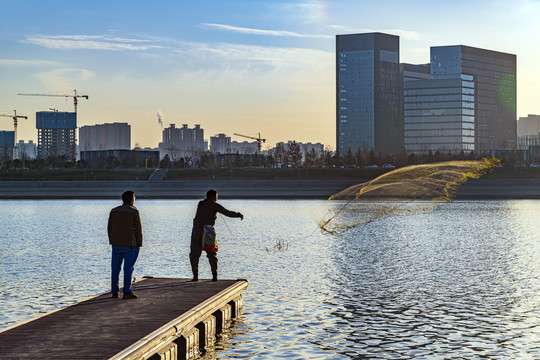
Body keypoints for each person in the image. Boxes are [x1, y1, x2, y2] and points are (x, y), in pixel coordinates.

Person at [190, 189, 243, 282]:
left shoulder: (200, 204)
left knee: (194, 254)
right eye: (216, 196)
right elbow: (228, 213)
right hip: (208, 232)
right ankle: (214, 276)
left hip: (197, 231)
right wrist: (238, 215)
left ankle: (195, 276)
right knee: (211, 254)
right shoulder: (215, 205)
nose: (217, 198)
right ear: (214, 197)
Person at [108, 190, 143, 299]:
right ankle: (127, 292)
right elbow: (138, 229)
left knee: (115, 269)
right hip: (130, 245)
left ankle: (114, 292)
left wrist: (112, 240)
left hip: (116, 244)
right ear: (132, 200)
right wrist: (139, 244)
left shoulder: (114, 211)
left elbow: (110, 228)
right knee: (128, 269)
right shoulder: (134, 212)